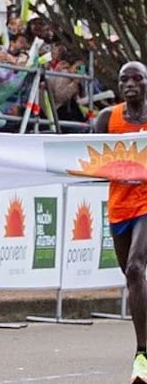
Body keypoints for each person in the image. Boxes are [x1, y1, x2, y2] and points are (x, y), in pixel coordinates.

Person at [95, 61, 147, 383]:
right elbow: (90, 160)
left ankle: (142, 354)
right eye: (124, 79)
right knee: (132, 280)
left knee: (135, 268)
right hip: (119, 208)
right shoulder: (107, 119)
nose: (130, 84)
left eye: (137, 79)